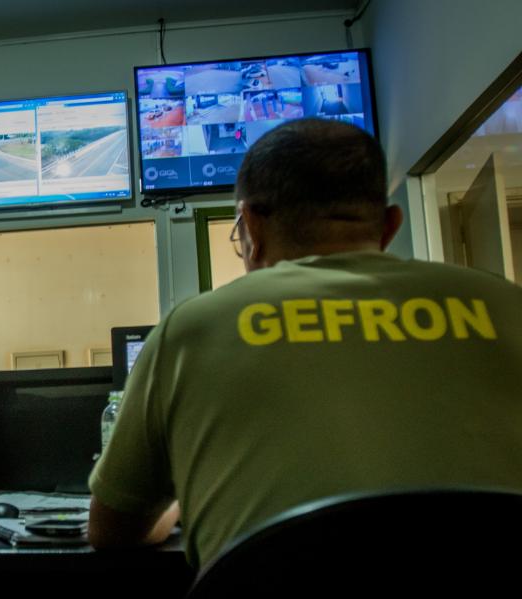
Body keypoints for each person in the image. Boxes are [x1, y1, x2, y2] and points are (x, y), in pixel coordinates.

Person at [88, 118, 522, 570]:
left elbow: (112, 530)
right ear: (390, 226)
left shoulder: (191, 328)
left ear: (251, 226)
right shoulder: (507, 306)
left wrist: (181, 505)